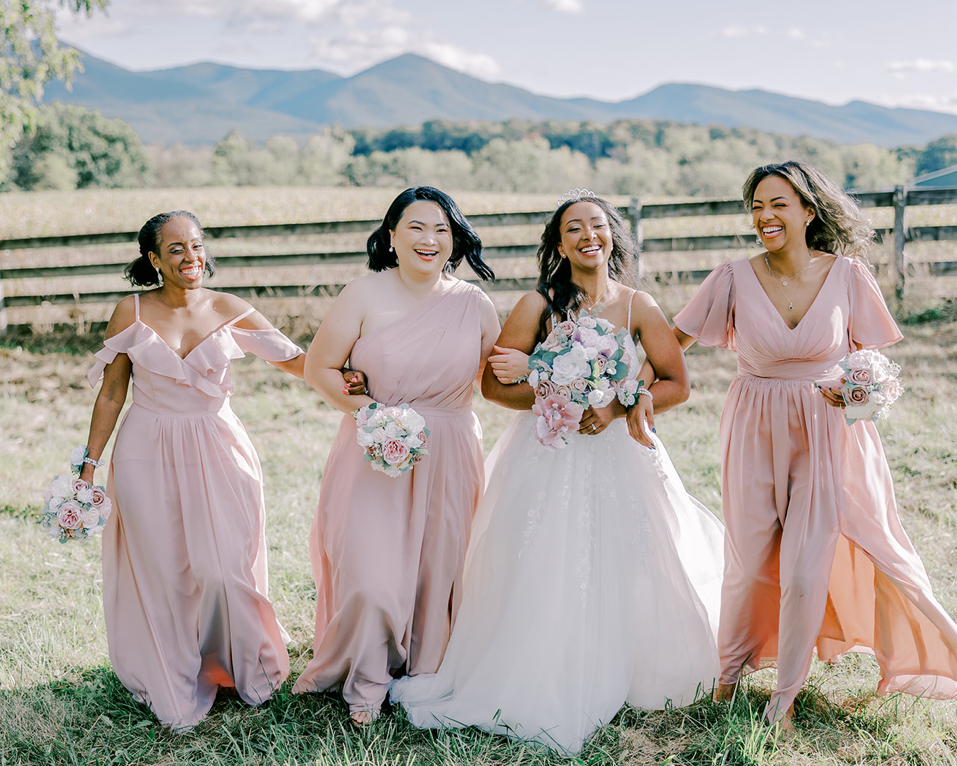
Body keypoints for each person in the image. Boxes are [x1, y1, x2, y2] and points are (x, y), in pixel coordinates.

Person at [390, 190, 724, 754]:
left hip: (620, 454)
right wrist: (557, 396)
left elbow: (675, 383)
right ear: (559, 243)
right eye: (574, 228)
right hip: (548, 452)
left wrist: (617, 406)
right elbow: (494, 385)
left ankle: (626, 666)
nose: (588, 235)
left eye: (597, 225)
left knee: (628, 556)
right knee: (545, 558)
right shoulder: (537, 305)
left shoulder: (639, 305)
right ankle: (543, 667)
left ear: (613, 235)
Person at [671, 160, 957, 732]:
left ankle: (785, 696)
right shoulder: (729, 276)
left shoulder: (848, 275)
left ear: (808, 209)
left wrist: (859, 391)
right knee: (749, 563)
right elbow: (670, 343)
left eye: (778, 203)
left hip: (828, 436)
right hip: (753, 428)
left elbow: (874, 361)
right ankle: (729, 676)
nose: (765, 216)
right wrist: (614, 374)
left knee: (805, 570)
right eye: (756, 206)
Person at [81, 210, 362, 730]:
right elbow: (112, 393)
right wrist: (88, 467)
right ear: (154, 260)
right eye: (176, 250)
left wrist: (353, 372)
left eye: (196, 245)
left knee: (223, 567)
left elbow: (297, 361)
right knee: (161, 568)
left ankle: (241, 664)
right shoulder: (132, 311)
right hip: (146, 448)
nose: (191, 258)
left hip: (217, 443)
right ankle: (174, 673)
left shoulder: (230, 308)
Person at [291, 187, 501, 725]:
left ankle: (425, 669)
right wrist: (370, 414)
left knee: (439, 571)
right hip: (375, 448)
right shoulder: (362, 294)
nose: (429, 239)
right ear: (392, 235)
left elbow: (496, 382)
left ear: (455, 240)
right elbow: (320, 368)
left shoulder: (474, 304)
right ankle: (367, 672)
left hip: (450, 451)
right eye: (416, 227)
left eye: (442, 230)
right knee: (371, 575)